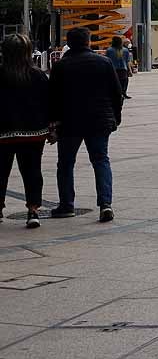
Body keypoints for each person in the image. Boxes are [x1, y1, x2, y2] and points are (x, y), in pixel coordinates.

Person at [48, 27, 123, 220]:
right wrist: (116, 117)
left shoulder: (60, 66)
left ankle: (66, 204)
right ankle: (105, 204)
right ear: (88, 42)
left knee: (65, 163)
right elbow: (117, 93)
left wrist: (53, 124)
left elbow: (53, 98)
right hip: (99, 121)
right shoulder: (104, 62)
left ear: (69, 44)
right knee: (100, 160)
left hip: (69, 122)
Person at [0, 34, 49, 228]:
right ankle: (33, 209)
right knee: (32, 171)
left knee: (1, 172)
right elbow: (48, 103)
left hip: (3, 133)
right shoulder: (37, 75)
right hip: (33, 133)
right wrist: (52, 127)